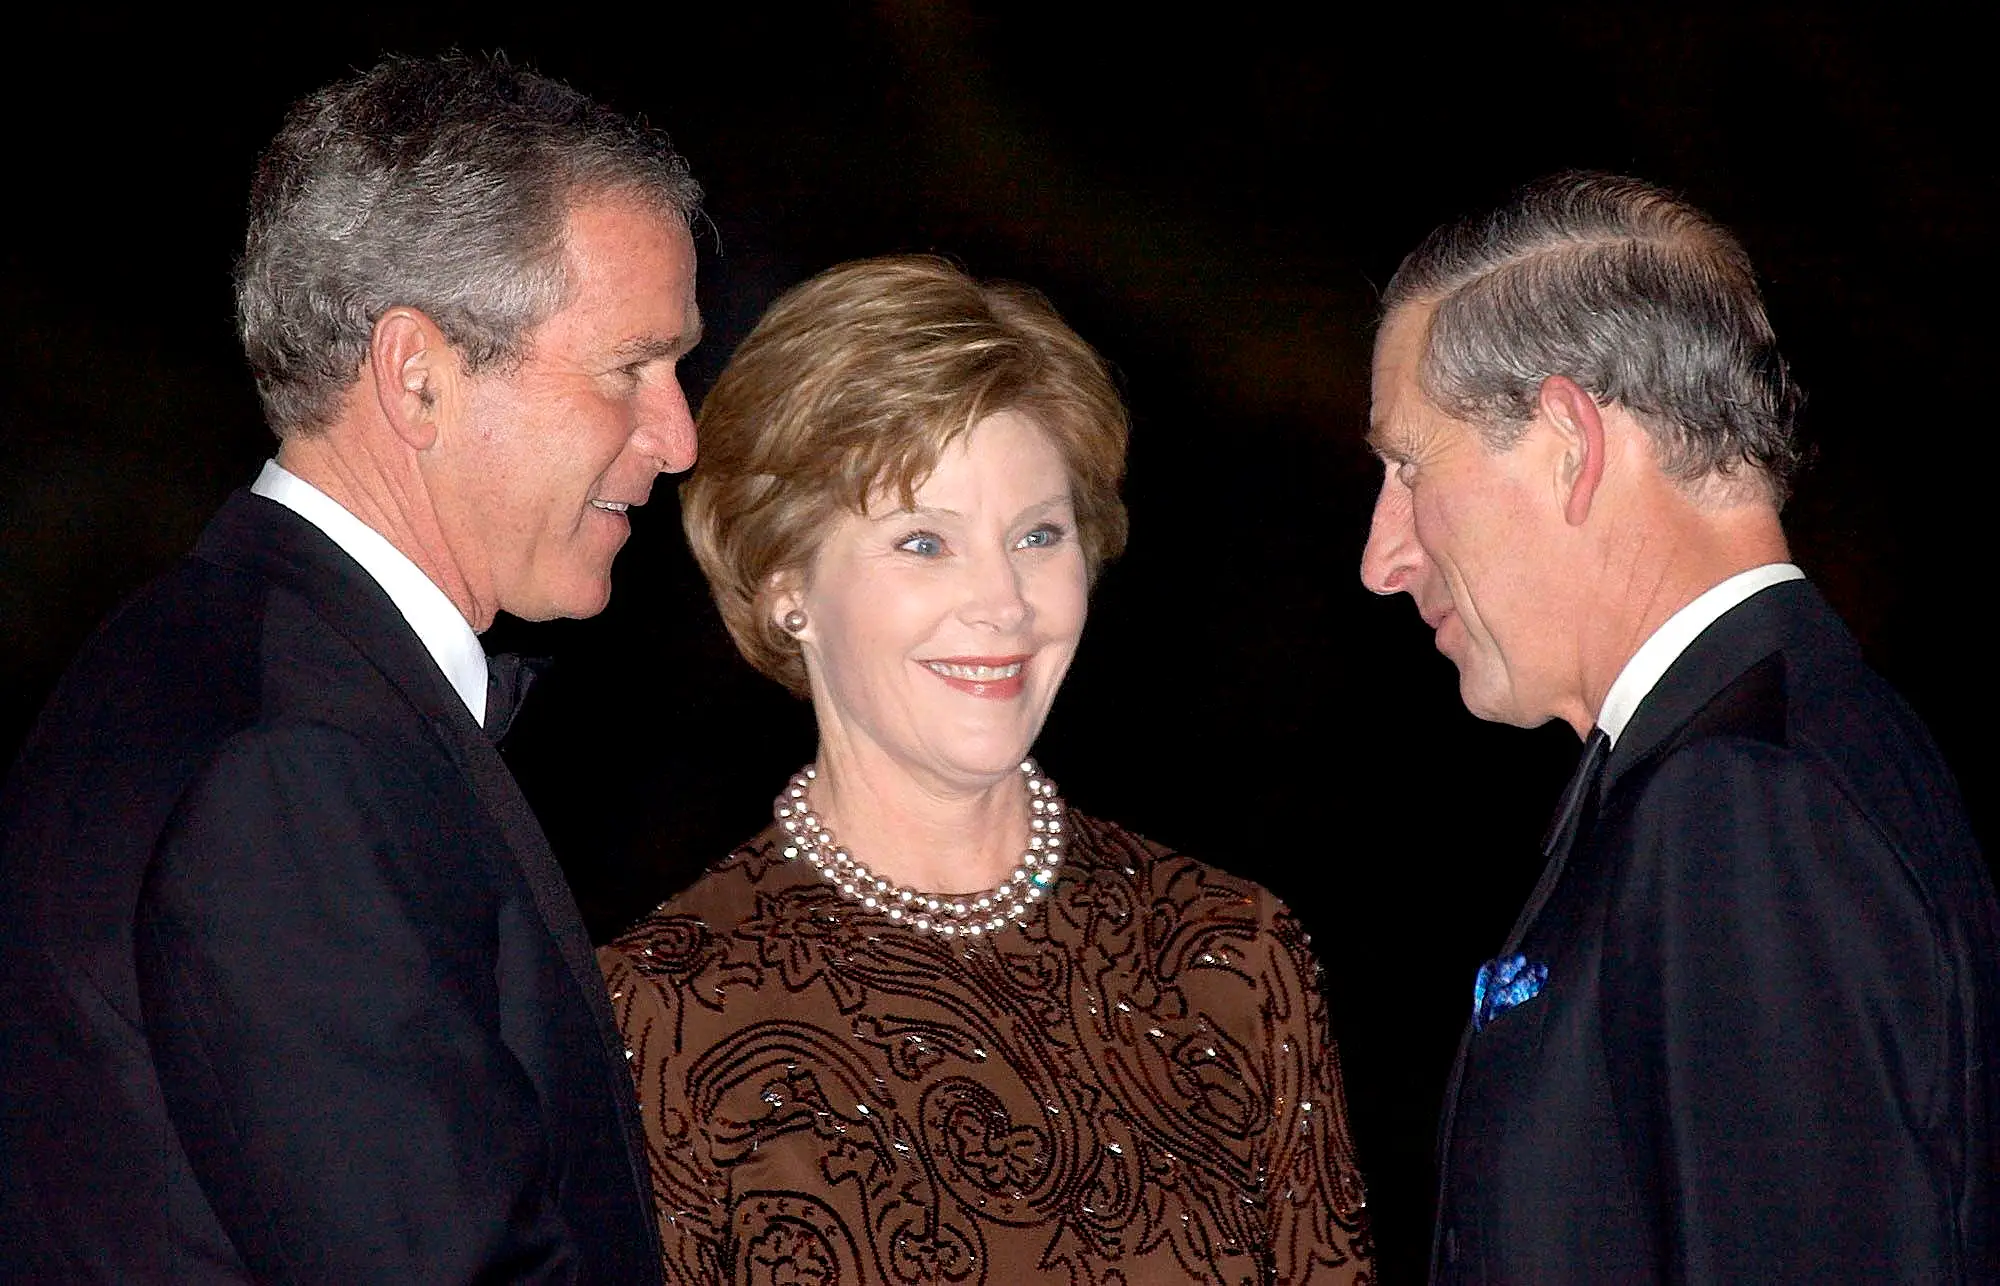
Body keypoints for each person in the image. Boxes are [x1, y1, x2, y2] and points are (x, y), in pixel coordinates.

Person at [0, 53, 703, 1280]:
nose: (677, 434)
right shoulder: (291, 764)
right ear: (416, 374)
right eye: (629, 367)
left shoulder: (219, 659)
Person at [600, 255, 1373, 1284]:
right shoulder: (662, 1007)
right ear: (786, 581)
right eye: (924, 541)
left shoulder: (1230, 954)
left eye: (1036, 535)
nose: (1003, 602)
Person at [1360, 171, 1999, 1282]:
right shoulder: (1755, 760)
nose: (1382, 558)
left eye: (1408, 467)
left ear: (1568, 440)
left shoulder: (1743, 802)